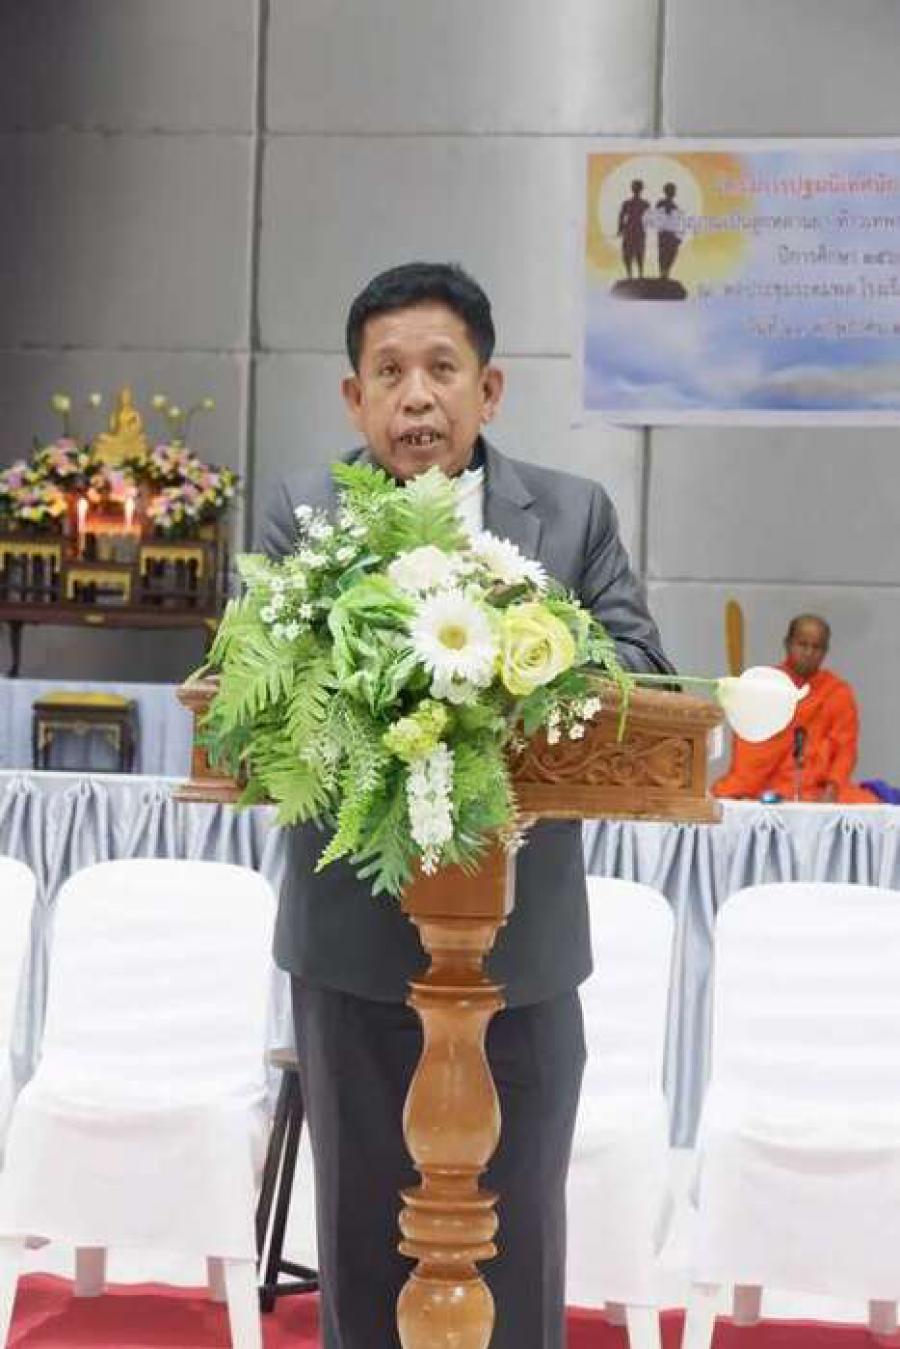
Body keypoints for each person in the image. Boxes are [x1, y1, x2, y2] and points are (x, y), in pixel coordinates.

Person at [258, 261, 673, 1349]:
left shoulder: (571, 516)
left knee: (518, 1243)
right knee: (362, 1249)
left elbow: (641, 671)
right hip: (352, 947)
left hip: (521, 954)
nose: (417, 397)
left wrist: (527, 660)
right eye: (389, 372)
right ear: (354, 397)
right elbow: (257, 684)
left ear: (489, 390)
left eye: (442, 369)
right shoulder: (302, 514)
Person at [713, 613, 877, 804]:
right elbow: (749, 742)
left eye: (816, 647)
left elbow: (845, 749)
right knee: (727, 799)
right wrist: (745, 785)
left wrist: (833, 787)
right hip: (765, 784)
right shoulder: (766, 686)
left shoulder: (837, 692)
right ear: (788, 644)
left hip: (818, 788)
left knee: (869, 805)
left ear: (825, 651)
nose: (808, 653)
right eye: (802, 644)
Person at [616, 180, 650, 280]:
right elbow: (621, 216)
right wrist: (620, 228)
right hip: (630, 230)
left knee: (639, 252)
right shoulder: (627, 203)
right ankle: (630, 274)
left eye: (637, 187)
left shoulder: (645, 204)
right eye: (634, 187)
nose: (636, 189)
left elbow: (649, 218)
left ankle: (640, 274)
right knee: (628, 253)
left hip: (638, 230)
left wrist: (620, 228)